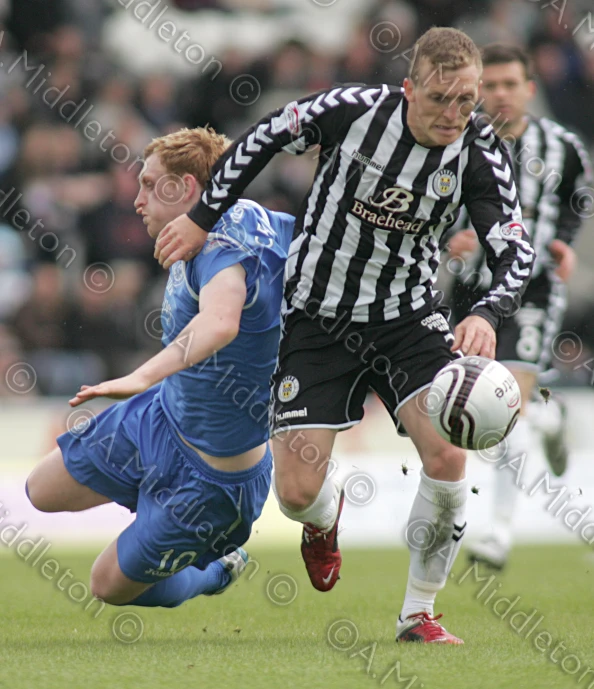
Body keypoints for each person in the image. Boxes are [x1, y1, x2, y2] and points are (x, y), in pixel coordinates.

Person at [153, 27, 535, 643]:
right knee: (297, 493)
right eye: (440, 98)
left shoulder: (480, 151)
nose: (454, 114)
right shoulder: (351, 112)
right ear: (409, 88)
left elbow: (514, 250)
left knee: (446, 455)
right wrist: (203, 218)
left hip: (408, 318)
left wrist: (487, 314)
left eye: (467, 100)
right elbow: (265, 136)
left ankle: (420, 614)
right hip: (318, 316)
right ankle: (321, 523)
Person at [25, 127, 294, 609]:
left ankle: (216, 571)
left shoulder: (222, 247)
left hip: (213, 478)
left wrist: (141, 375)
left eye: (150, 186)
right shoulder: (247, 220)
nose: (137, 200)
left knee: (106, 585)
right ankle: (149, 502)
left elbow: (220, 322)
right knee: (40, 490)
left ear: (187, 189)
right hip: (160, 418)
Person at [445, 44, 592, 570]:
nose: (501, 95)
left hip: (532, 288)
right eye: (492, 86)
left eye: (511, 85)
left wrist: (565, 243)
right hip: (468, 292)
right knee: (471, 409)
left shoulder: (563, 148)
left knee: (506, 406)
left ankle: (499, 533)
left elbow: (578, 199)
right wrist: (449, 240)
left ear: (530, 89)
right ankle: (549, 419)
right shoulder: (455, 142)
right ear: (477, 91)